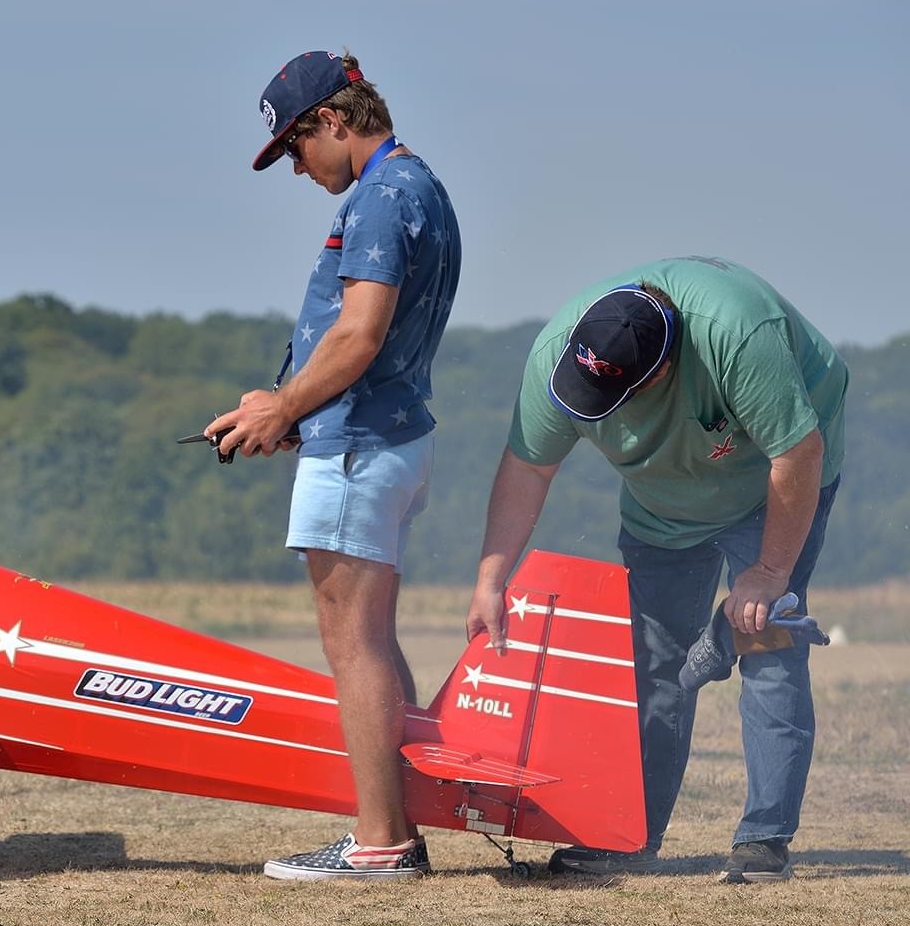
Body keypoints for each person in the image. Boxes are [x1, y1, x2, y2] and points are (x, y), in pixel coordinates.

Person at [465, 256, 847, 883]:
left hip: (775, 488)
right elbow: (529, 467)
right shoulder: (556, 356)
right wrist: (490, 580)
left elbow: (797, 451)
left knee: (765, 639)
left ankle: (764, 841)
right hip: (661, 504)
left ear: (663, 369)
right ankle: (631, 835)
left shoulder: (737, 335)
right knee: (653, 661)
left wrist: (769, 572)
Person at [205, 50, 461, 880]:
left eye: (294, 147)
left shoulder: (382, 197)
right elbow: (355, 346)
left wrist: (289, 408)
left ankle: (381, 842)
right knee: (371, 639)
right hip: (375, 431)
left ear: (336, 122)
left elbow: (358, 334)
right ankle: (399, 827)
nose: (295, 167)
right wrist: (278, 405)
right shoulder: (416, 185)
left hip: (359, 442)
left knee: (352, 642)